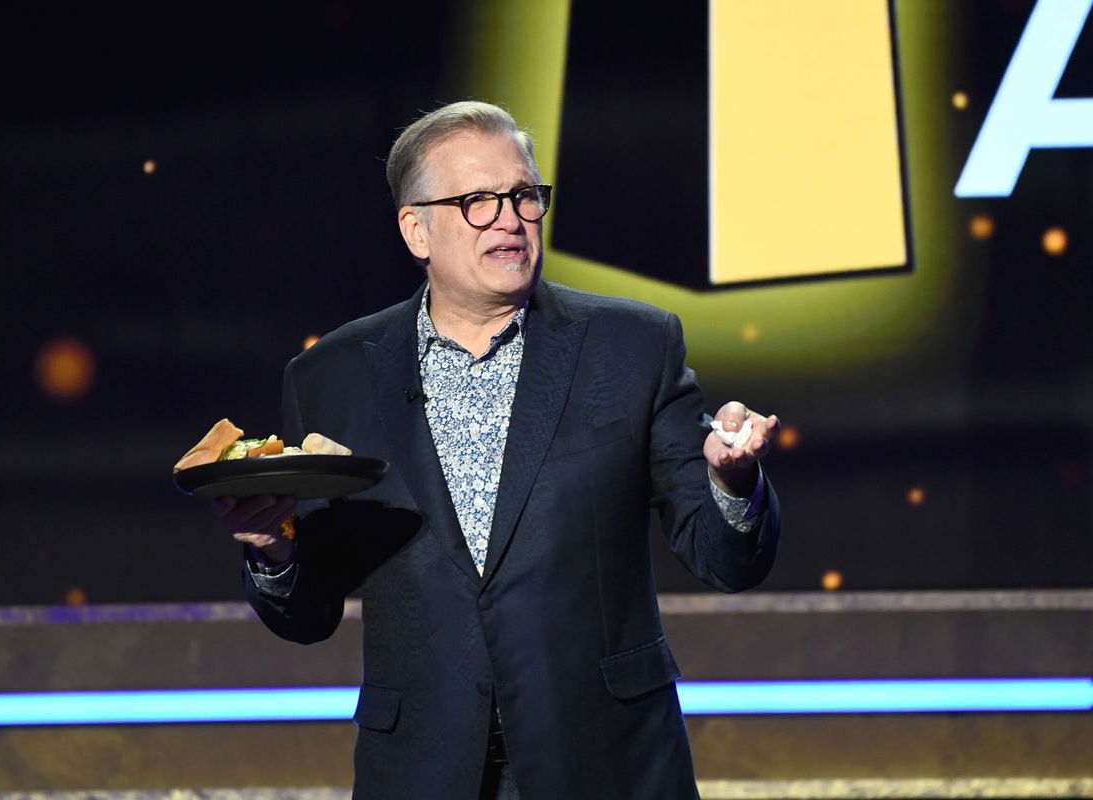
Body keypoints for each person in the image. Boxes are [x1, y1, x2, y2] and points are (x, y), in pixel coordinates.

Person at [191, 101, 781, 799]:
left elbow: (725, 560)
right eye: (476, 200)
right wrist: (273, 550)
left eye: (524, 195)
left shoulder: (632, 346)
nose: (509, 218)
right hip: (422, 767)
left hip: (607, 762)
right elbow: (308, 612)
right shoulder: (334, 375)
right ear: (417, 229)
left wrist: (733, 485)